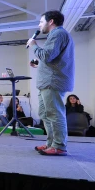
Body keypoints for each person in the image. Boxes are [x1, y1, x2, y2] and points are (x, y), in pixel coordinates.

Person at [28, 10, 75, 156]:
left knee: (54, 114)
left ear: (51, 21)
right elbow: (52, 59)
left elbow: (47, 55)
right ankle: (51, 143)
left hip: (52, 82)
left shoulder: (58, 34)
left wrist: (33, 44)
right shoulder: (56, 35)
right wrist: (39, 65)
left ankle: (59, 146)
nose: (39, 25)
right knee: (45, 113)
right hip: (48, 81)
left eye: (41, 21)